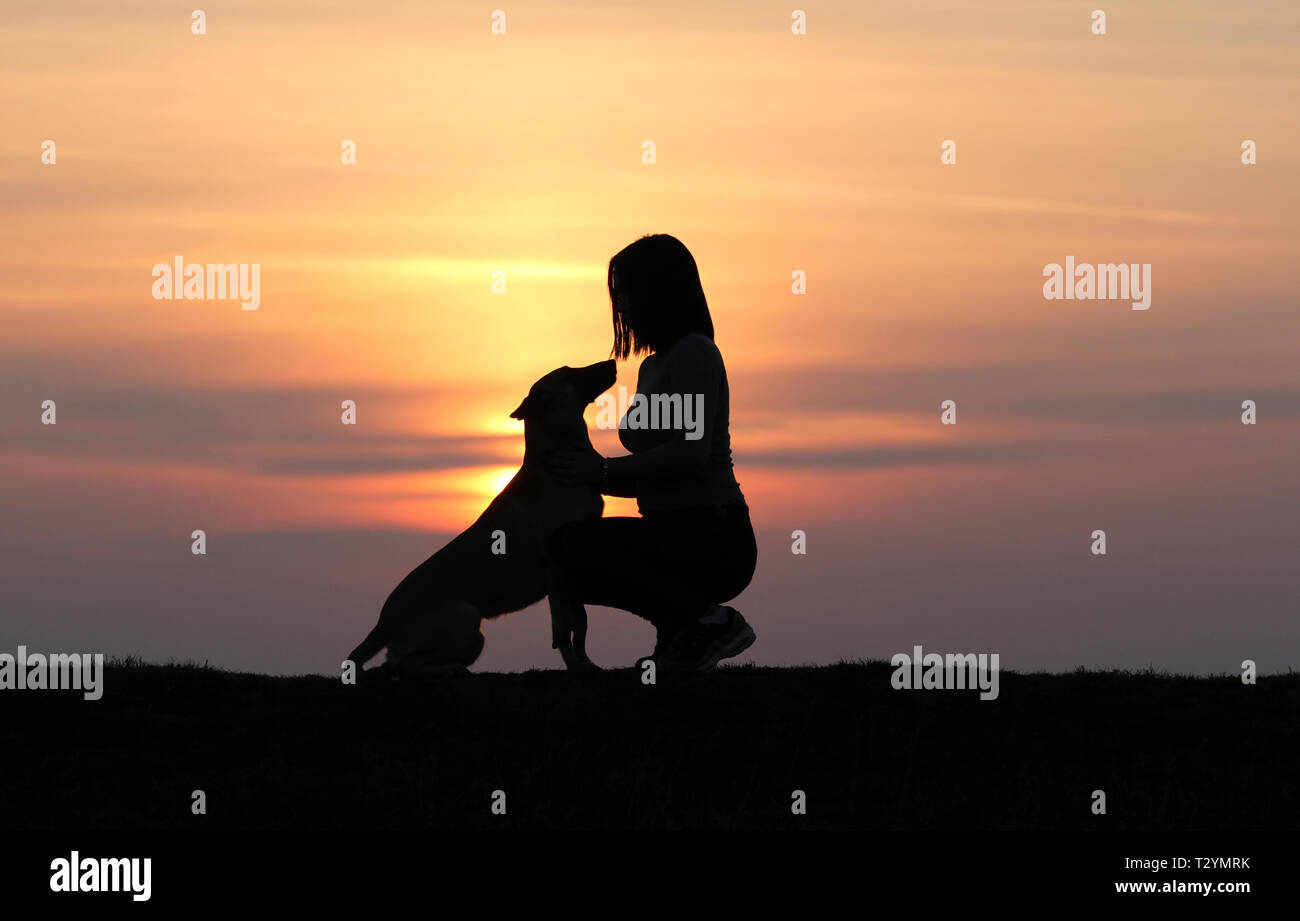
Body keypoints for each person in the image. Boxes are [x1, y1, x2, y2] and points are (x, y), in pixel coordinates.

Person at [545, 234, 757, 672]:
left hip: (712, 535)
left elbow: (690, 455)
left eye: (625, 290)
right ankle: (684, 632)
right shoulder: (652, 366)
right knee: (566, 548)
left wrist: (600, 471)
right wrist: (589, 474)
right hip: (668, 527)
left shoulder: (696, 353)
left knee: (572, 548)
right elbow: (652, 472)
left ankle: (709, 623)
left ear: (656, 291)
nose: (619, 304)